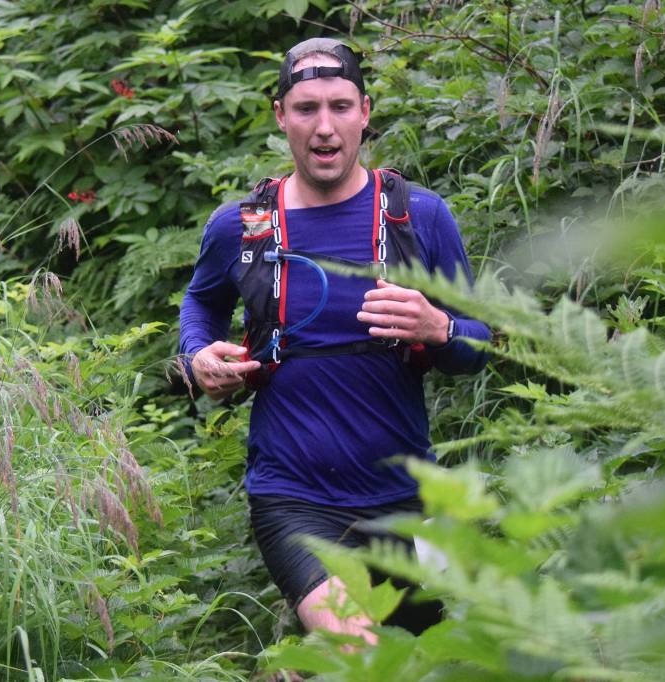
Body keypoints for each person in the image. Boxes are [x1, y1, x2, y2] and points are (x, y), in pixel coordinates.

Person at [178, 37, 490, 643]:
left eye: (341, 107)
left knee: (407, 659)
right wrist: (198, 355)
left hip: (406, 500)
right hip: (293, 496)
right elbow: (202, 301)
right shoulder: (242, 227)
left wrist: (441, 329)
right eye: (306, 109)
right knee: (355, 645)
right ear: (280, 116)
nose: (325, 127)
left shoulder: (419, 218)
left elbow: (480, 345)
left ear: (366, 112)